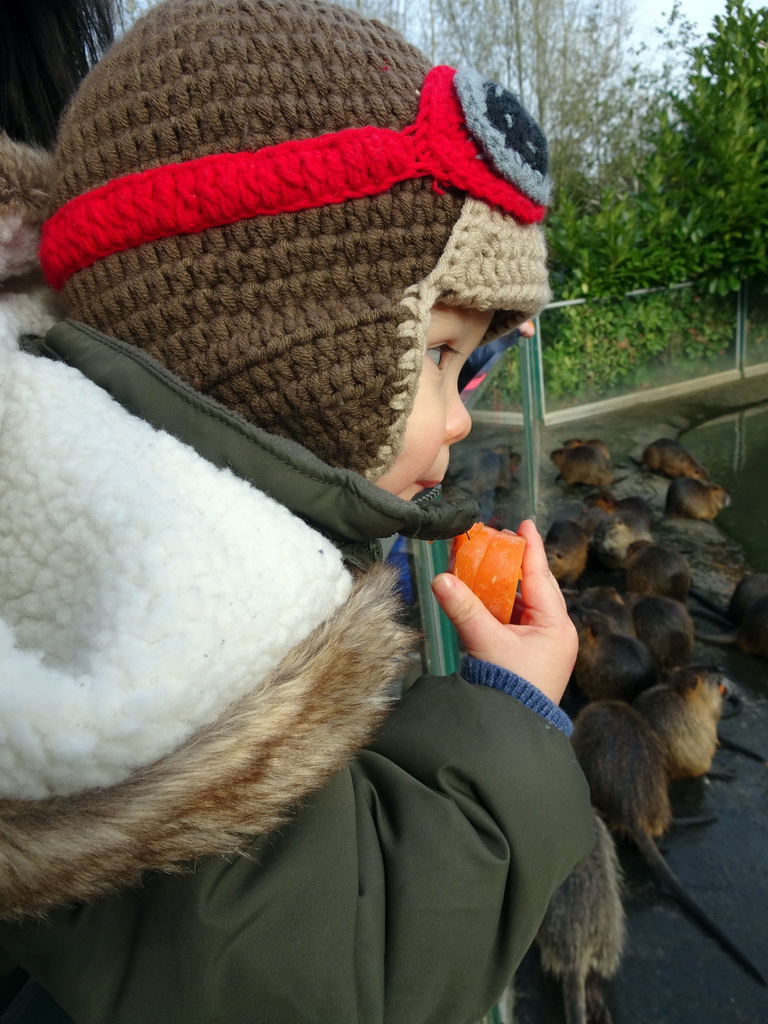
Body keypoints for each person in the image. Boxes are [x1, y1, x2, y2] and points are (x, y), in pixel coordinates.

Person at [0, 1, 594, 1022]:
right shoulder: (167, 600)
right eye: (442, 354)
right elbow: (343, 976)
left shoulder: (131, 498)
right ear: (270, 344)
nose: (459, 420)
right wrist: (513, 716)